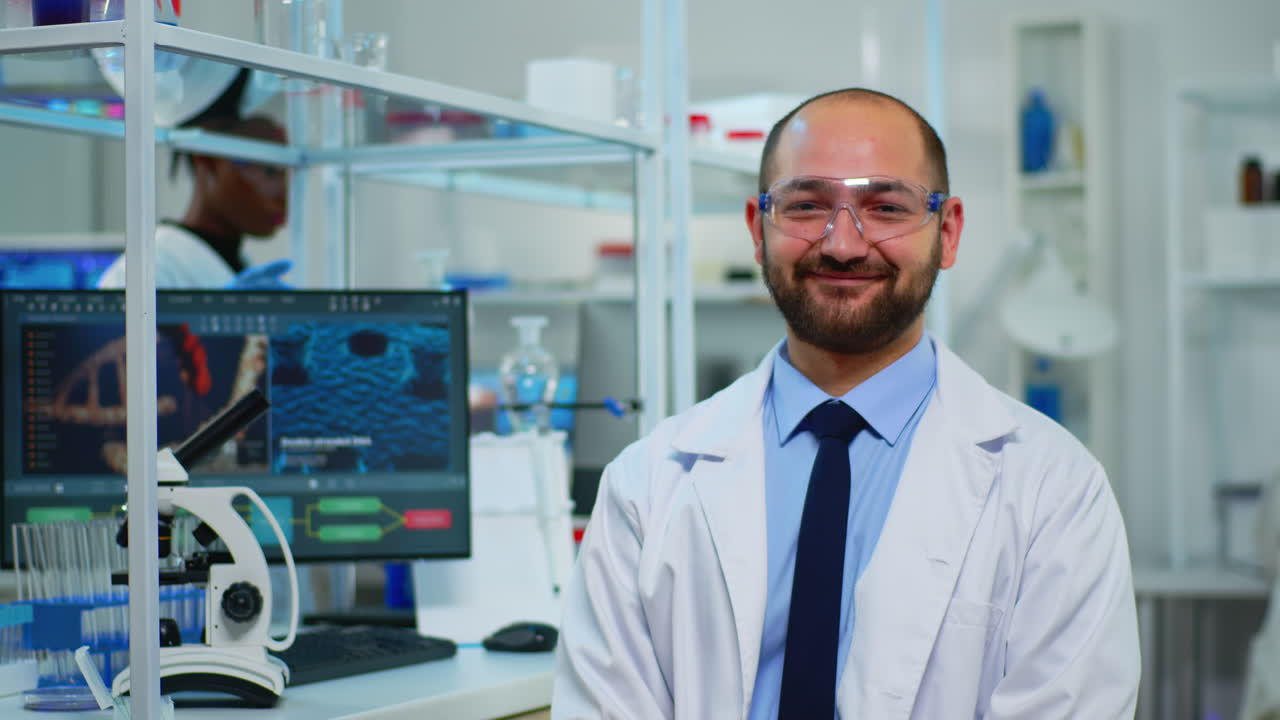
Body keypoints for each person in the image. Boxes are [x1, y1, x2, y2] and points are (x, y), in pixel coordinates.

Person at [552, 88, 1140, 719]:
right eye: (807, 205)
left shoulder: (1055, 490)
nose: (842, 244)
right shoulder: (647, 487)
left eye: (886, 207)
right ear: (758, 229)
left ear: (949, 232)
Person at [97, 112, 291, 290]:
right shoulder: (143, 272)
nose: (285, 195)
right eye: (270, 171)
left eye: (289, 175)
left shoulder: (240, 267)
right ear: (208, 159)